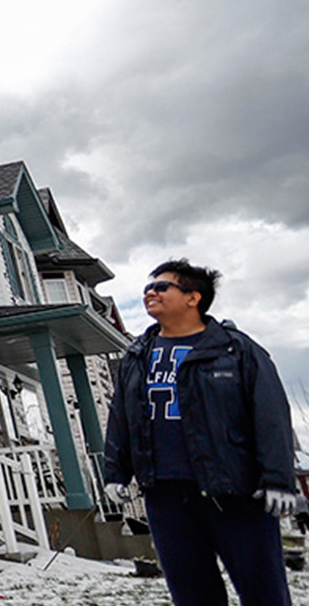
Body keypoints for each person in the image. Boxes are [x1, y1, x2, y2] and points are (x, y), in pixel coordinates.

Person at [102, 259, 299, 606]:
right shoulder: (136, 356)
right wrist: (116, 472)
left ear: (193, 298)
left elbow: (271, 417)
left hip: (235, 493)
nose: (151, 292)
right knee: (192, 595)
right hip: (165, 496)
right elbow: (121, 416)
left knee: (263, 592)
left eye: (162, 286)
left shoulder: (236, 349)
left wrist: (278, 479)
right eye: (148, 287)